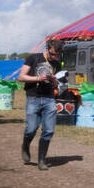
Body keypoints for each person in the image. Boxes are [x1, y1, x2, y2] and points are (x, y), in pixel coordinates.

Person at [19, 39, 62, 170]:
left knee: (48, 130)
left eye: (57, 55)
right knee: (31, 129)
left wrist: (55, 82)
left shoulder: (56, 63)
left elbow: (58, 83)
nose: (55, 57)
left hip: (49, 98)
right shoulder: (33, 58)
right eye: (53, 54)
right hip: (33, 98)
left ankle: (41, 161)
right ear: (48, 48)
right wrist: (38, 78)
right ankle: (25, 146)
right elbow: (21, 77)